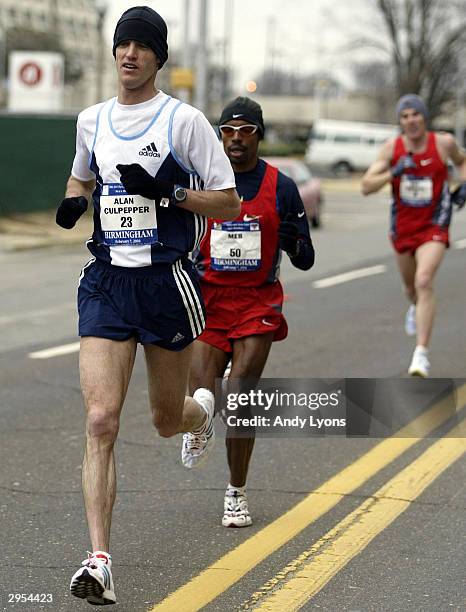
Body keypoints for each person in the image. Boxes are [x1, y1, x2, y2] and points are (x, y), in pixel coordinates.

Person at [57, 6, 240, 605]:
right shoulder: (92, 120)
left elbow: (228, 204)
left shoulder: (184, 122)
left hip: (165, 285)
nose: (130, 54)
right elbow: (82, 177)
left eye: (142, 46)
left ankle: (201, 412)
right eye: (123, 44)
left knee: (165, 420)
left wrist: (171, 191)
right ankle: (100, 560)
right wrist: (72, 201)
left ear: (159, 58)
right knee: (101, 420)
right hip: (108, 283)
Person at [188, 97, 315, 528]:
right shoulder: (204, 181)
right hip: (209, 300)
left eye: (246, 130)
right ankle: (200, 423)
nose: (236, 139)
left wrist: (294, 241)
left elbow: (305, 256)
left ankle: (236, 491)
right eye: (228, 130)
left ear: (259, 135)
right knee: (203, 397)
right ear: (219, 135)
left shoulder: (280, 186)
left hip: (257, 302)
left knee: (240, 396)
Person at [361, 94, 466, 377]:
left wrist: (463, 185)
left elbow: (462, 160)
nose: (411, 120)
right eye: (405, 116)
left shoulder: (442, 143)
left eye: (415, 114)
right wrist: (393, 172)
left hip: (434, 225)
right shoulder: (391, 148)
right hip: (403, 228)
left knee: (423, 280)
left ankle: (421, 354)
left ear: (424, 117)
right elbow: (366, 186)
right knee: (411, 288)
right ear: (400, 121)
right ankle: (415, 307)